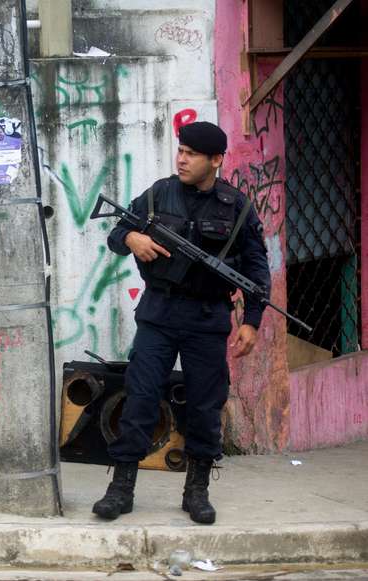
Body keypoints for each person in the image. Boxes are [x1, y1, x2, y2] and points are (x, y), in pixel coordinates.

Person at [93, 121, 271, 525]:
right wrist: (131, 240)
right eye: (181, 150)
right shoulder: (158, 194)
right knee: (139, 397)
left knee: (206, 406)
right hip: (159, 314)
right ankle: (121, 488)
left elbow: (257, 269)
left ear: (216, 160)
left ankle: (197, 491)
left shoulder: (237, 207)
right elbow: (117, 232)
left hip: (208, 319)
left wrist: (252, 322)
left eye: (191, 153)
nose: (182, 158)